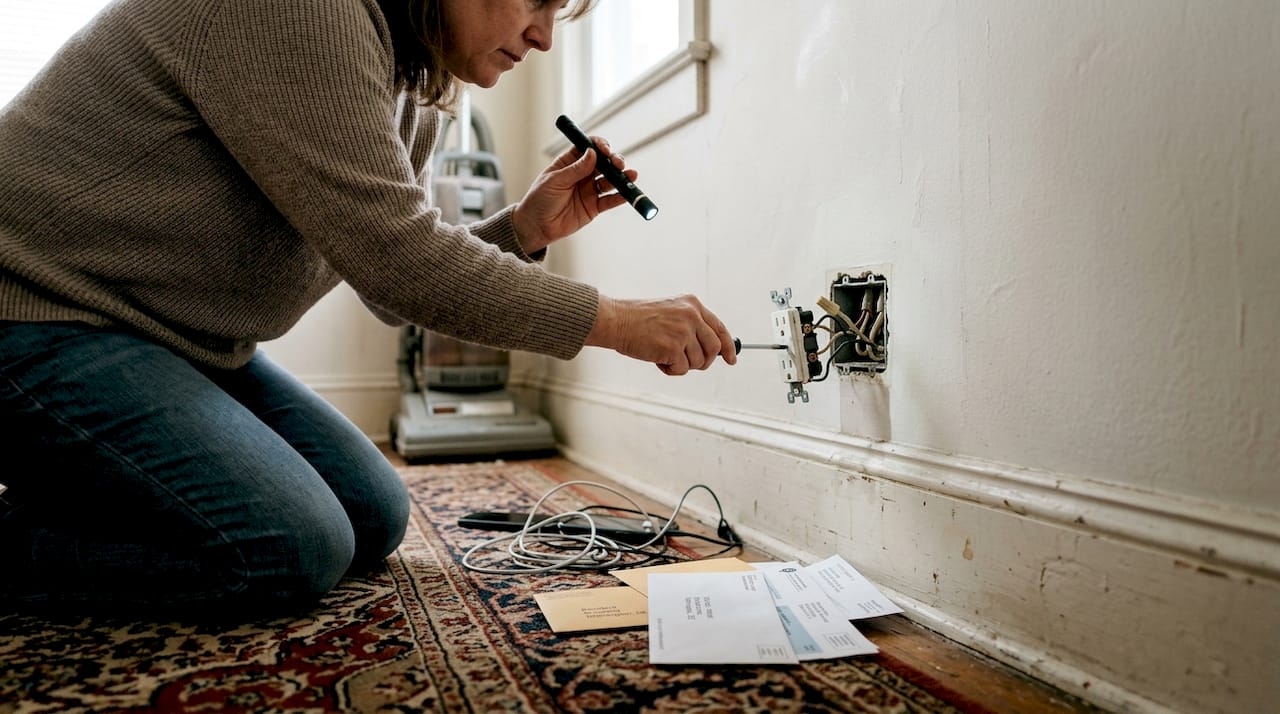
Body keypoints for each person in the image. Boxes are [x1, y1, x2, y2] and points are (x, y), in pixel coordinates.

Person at [0, 0, 737, 617]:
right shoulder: (301, 11)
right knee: (284, 545)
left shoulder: (418, 82)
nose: (545, 35)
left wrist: (523, 230)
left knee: (369, 514)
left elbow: (388, 282)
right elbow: (400, 262)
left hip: (173, 338)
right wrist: (615, 321)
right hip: (33, 313)